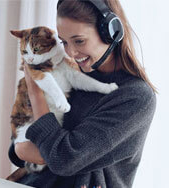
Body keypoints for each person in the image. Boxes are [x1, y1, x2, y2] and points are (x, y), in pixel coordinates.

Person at [8, 0, 157, 187]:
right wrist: (31, 150)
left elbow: (63, 160)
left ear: (112, 32)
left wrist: (35, 89)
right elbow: (18, 147)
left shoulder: (135, 97)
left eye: (79, 41)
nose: (71, 53)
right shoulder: (71, 73)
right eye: (64, 42)